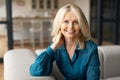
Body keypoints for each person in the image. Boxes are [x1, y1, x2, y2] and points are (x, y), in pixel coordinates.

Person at [29, 4, 100, 80]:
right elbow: (35, 70)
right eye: (66, 21)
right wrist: (54, 45)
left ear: (81, 25)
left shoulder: (91, 48)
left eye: (76, 22)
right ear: (59, 24)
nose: (70, 27)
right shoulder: (56, 47)